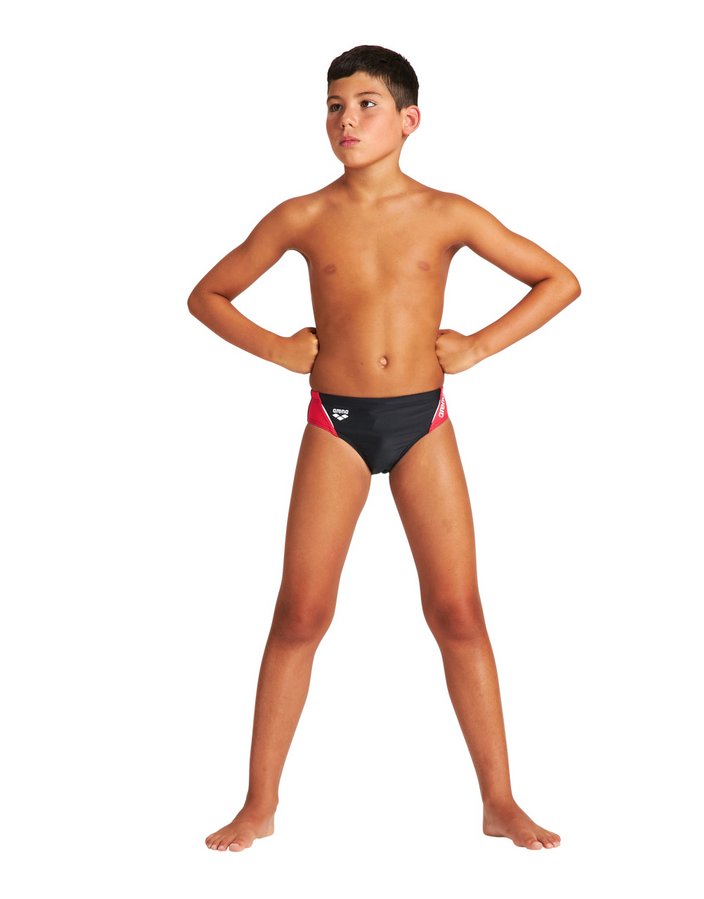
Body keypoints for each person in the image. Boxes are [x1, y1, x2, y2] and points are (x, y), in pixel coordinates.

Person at [189, 44, 580, 852]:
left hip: (422, 422)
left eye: (366, 104)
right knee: (301, 613)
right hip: (334, 422)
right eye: (335, 105)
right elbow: (208, 295)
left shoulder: (447, 213)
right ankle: (259, 804)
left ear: (409, 120)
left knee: (458, 611)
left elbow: (558, 280)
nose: (347, 120)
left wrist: (479, 345)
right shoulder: (301, 215)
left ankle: (500, 801)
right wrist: (276, 348)